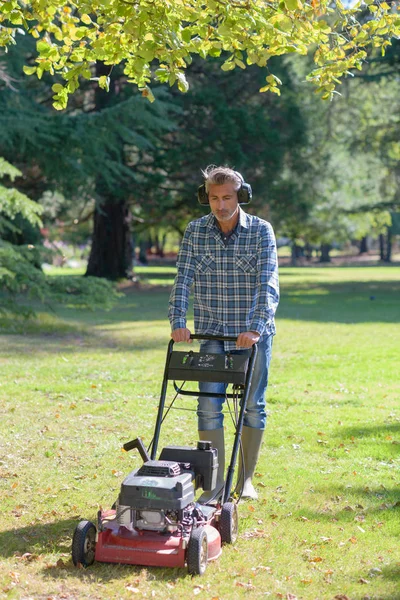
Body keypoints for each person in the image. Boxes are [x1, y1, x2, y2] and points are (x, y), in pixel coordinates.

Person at [168, 165, 279, 500]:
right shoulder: (195, 231)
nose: (220, 204)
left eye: (227, 197)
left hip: (251, 334)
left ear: (240, 195)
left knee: (253, 407)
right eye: (214, 198)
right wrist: (177, 321)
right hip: (212, 333)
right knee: (207, 405)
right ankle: (215, 486)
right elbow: (183, 278)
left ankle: (244, 481)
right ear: (206, 197)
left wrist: (256, 328)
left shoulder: (261, 231)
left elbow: (268, 284)